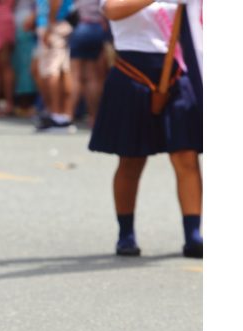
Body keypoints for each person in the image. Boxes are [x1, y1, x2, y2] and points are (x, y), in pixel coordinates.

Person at [89, 0, 202, 258]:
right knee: (131, 159)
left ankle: (193, 234)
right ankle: (126, 233)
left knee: (187, 156)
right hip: (133, 71)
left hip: (177, 68)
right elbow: (112, 11)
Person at [33, 0, 76, 132]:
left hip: (54, 26)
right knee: (63, 70)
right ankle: (63, 117)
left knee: (52, 71)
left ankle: (56, 116)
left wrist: (49, 26)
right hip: (59, 25)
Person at [68, 0, 109, 126]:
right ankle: (94, 116)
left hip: (83, 26)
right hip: (99, 28)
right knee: (93, 77)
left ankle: (67, 115)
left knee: (75, 76)